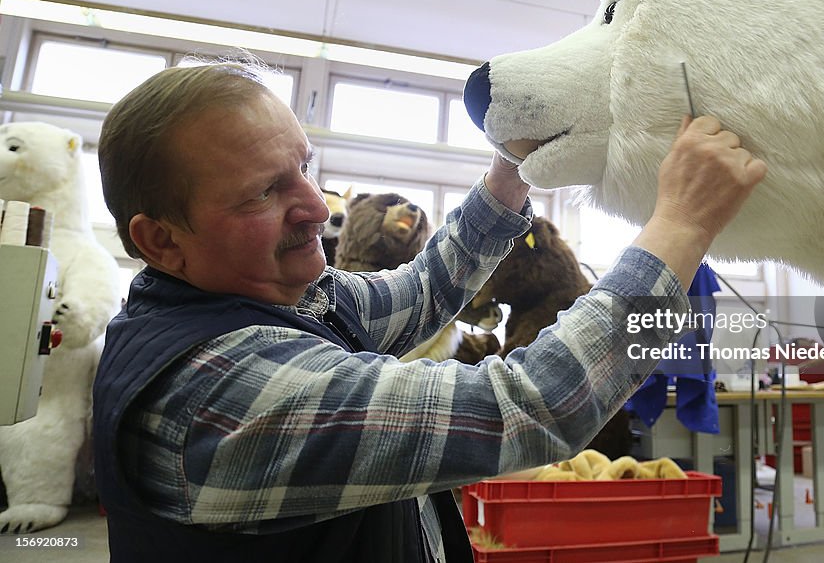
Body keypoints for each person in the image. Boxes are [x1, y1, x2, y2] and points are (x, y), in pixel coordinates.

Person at [92, 60, 766, 562]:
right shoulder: (220, 394)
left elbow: (424, 289)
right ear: (161, 239)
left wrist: (509, 168)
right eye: (265, 192)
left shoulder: (281, 297)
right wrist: (679, 228)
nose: (316, 206)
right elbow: (533, 403)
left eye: (304, 165)